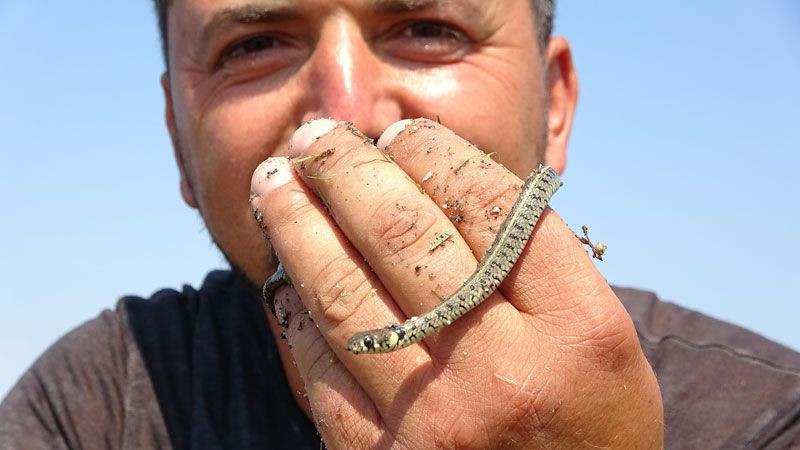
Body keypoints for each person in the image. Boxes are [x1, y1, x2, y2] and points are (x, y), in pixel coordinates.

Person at [1, 0, 798, 448]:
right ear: (178, 139)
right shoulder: (93, 410)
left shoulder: (770, 415)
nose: (343, 112)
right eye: (256, 43)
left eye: (428, 30)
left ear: (555, 106)